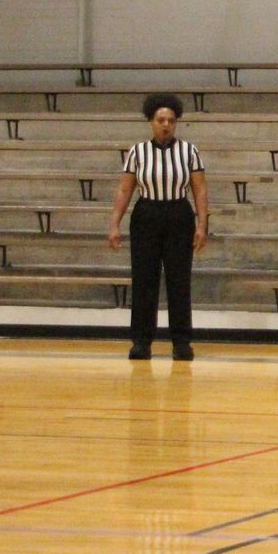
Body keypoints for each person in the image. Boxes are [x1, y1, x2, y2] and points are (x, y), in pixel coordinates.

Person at [108, 93, 208, 361]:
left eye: (171, 121)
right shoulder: (137, 152)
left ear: (176, 124)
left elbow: (199, 190)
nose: (166, 125)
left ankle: (181, 342)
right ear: (151, 122)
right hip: (146, 215)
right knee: (144, 281)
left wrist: (202, 224)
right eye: (160, 120)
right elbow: (124, 189)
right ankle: (141, 342)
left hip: (178, 214)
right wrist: (114, 224)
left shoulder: (190, 152)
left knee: (179, 281)